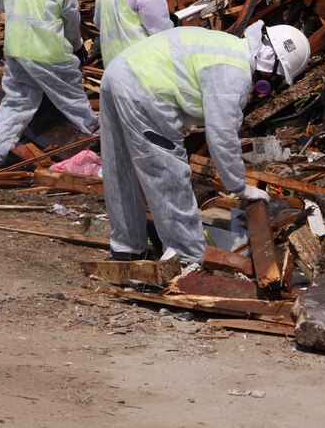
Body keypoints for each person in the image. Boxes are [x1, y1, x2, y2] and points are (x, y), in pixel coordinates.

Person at [99, 20, 311, 263]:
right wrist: (239, 186)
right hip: (145, 88)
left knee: (120, 165)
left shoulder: (228, 47)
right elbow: (222, 137)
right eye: (278, 76)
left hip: (118, 73)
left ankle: (126, 246)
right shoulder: (235, 72)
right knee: (168, 173)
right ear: (270, 62)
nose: (272, 84)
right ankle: (188, 256)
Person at [0, 0, 98, 167]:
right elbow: (71, 26)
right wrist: (77, 48)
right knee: (73, 101)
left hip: (16, 51)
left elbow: (0, 2)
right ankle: (100, 143)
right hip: (50, 55)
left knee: (17, 103)